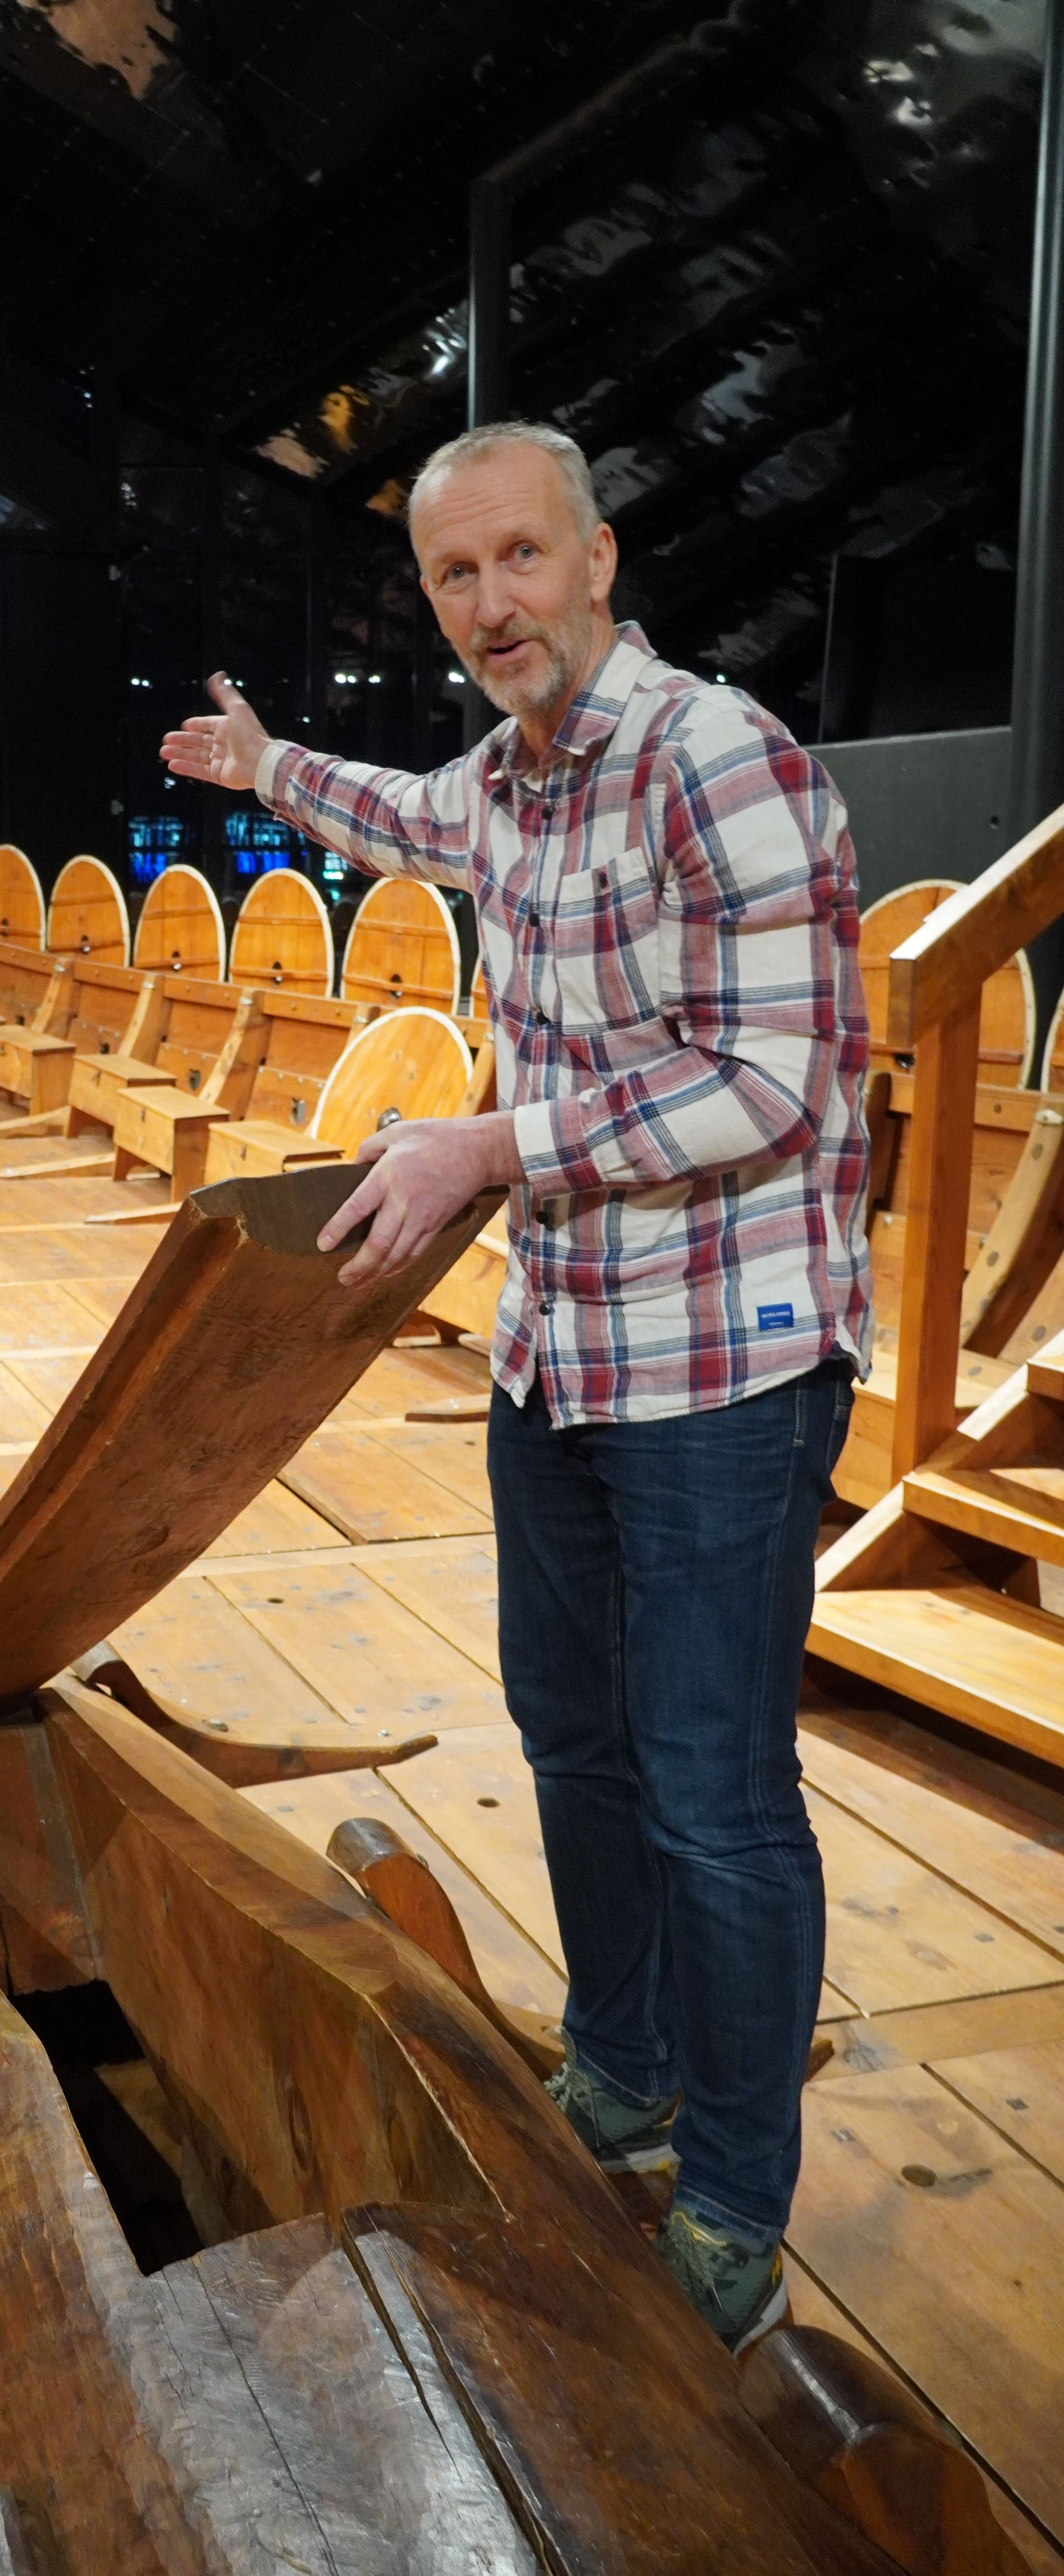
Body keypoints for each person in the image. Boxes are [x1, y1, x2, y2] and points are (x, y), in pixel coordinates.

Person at [160, 421, 871, 2353]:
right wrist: (267, 768)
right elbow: (410, 817)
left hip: (721, 1365)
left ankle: (733, 2198)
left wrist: (493, 1146)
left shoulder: (719, 762)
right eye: (454, 577)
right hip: (563, 1350)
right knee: (573, 1740)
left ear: (600, 559)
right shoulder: (511, 781)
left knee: (716, 1798)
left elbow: (772, 1081)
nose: (492, 604)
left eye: (520, 560)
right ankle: (625, 2072)